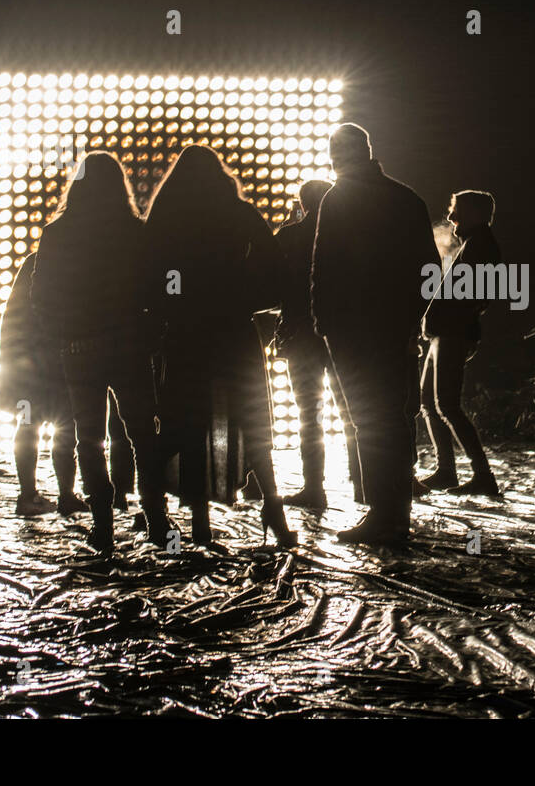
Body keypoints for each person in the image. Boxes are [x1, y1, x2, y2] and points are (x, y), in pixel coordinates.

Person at [145, 144, 295, 547]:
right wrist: (241, 297)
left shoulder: (167, 219)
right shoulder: (238, 214)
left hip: (185, 333)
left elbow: (152, 278)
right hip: (233, 332)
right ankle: (273, 510)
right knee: (252, 419)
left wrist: (172, 308)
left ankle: (193, 521)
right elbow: (277, 272)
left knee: (185, 422)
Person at [311, 123, 440, 544]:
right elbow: (429, 272)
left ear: (336, 156)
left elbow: (324, 269)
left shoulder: (338, 198)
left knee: (368, 420)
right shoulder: (407, 199)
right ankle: (393, 514)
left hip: (351, 332)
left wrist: (324, 323)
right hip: (392, 329)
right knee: (394, 418)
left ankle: (383, 517)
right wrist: (409, 321)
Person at [31, 153, 164, 554]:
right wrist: (151, 332)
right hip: (129, 346)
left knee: (88, 438)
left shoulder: (58, 233)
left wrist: (60, 334)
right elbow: (158, 287)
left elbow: (41, 295)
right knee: (142, 432)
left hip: (79, 348)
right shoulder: (135, 231)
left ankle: (103, 527)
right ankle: (156, 519)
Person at [0, 253, 134, 516]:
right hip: (52, 367)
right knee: (61, 428)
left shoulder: (35, 265)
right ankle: (60, 494)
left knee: (32, 425)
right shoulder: (68, 266)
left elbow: (13, 318)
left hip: (32, 369)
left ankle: (34, 494)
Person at [275, 179, 362, 509]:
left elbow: (270, 282)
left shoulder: (290, 236)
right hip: (344, 334)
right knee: (352, 410)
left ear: (303, 203)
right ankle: (364, 482)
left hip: (300, 336)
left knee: (308, 414)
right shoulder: (351, 237)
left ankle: (314, 487)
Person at [415, 189, 502, 498]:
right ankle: (448, 470)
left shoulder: (479, 247)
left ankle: (480, 474)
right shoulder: (477, 244)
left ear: (475, 214)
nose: (451, 217)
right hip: (449, 332)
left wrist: (445, 320)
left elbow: (476, 296)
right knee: (431, 401)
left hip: (452, 333)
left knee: (445, 404)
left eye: (457, 211)